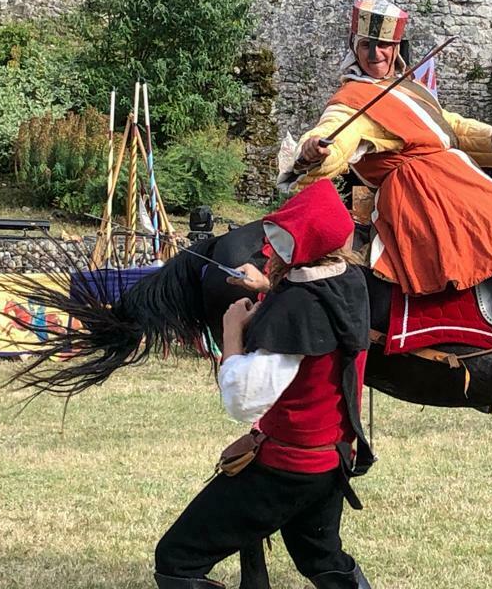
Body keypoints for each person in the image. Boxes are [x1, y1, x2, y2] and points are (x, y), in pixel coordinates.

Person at [279, 0, 492, 412]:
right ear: (354, 45)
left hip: (453, 179)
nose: (376, 54)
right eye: (368, 45)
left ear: (397, 47)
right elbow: (335, 137)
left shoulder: (408, 89)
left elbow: (450, 126)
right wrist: (315, 151)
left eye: (384, 46)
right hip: (422, 193)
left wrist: (491, 136)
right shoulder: (351, 100)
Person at [153, 179, 374, 589]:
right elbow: (315, 302)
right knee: (323, 561)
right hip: (331, 462)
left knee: (176, 560)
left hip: (286, 470)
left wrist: (231, 330)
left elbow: (244, 400)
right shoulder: (350, 282)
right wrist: (269, 288)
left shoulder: (293, 309)